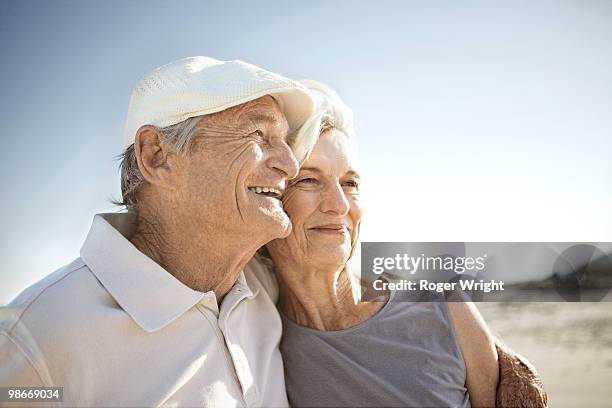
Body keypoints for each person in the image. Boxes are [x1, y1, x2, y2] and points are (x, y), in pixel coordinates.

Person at [0, 56, 316, 407]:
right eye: (259, 134)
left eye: (286, 142)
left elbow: (372, 286)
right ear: (157, 156)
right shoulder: (34, 340)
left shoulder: (269, 287)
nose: (290, 164)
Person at [263, 80, 519, 407]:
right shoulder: (257, 337)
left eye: (350, 183)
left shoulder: (445, 308)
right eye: (309, 180)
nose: (339, 205)